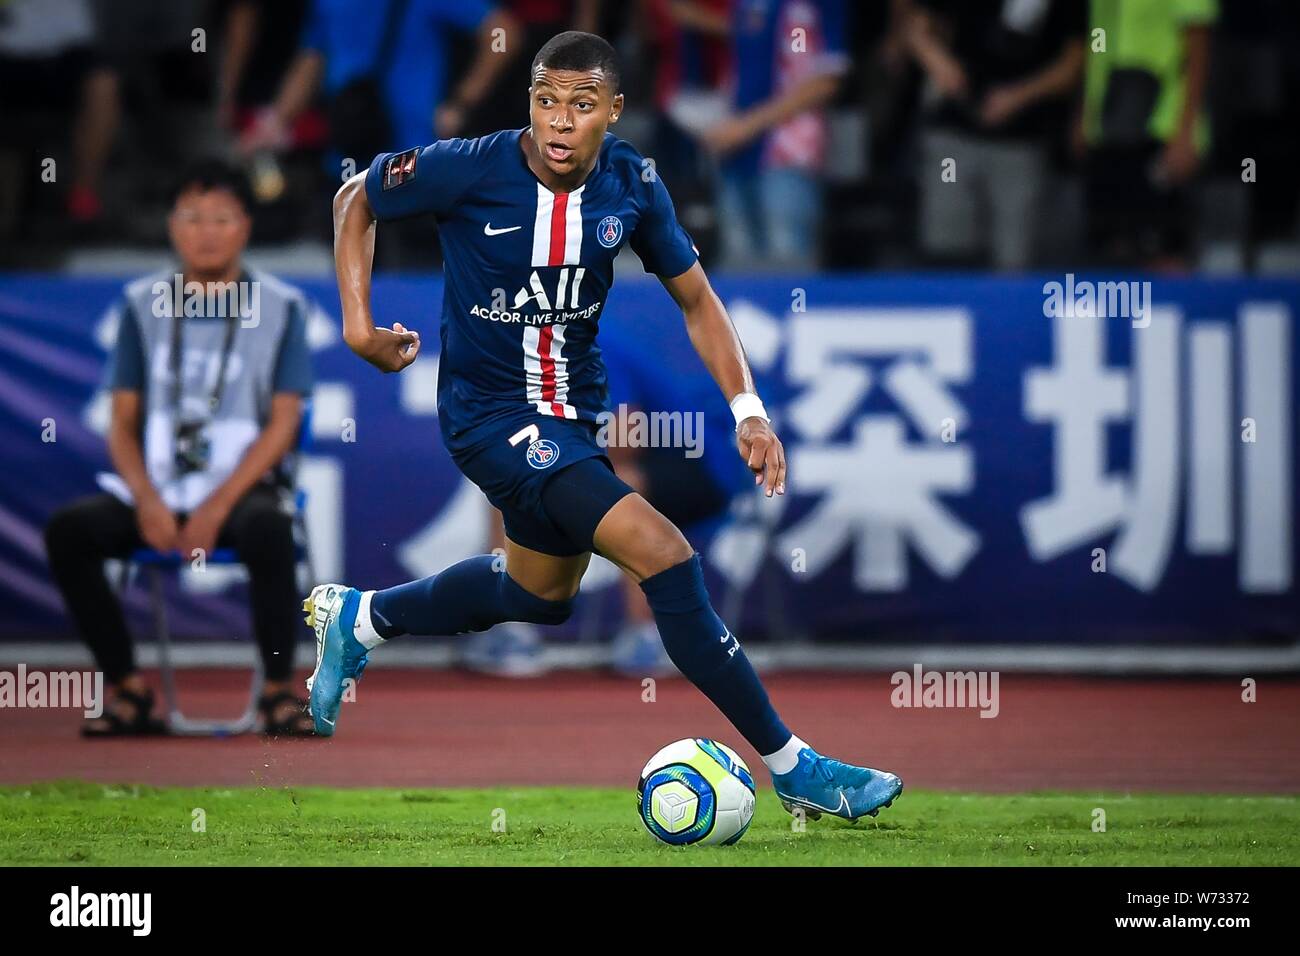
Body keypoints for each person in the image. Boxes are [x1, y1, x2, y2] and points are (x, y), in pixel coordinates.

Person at [311, 31, 902, 822]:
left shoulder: (633, 183)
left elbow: (697, 299)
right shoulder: (469, 165)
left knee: (538, 592)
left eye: (581, 105)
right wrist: (358, 326)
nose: (559, 121)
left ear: (613, 111)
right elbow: (357, 199)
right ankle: (796, 767)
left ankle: (365, 618)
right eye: (546, 101)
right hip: (488, 417)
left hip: (572, 415)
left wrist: (749, 410)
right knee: (664, 553)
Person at [43, 161, 317, 737]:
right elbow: (121, 423)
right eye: (192, 217)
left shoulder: (281, 306)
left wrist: (218, 506)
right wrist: (145, 500)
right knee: (69, 531)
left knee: (270, 529)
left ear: (245, 226)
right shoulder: (141, 304)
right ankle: (128, 689)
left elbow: (285, 423)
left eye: (222, 217)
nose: (207, 231)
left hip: (241, 491)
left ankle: (276, 693)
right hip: (159, 490)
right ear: (171, 226)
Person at [908, 0, 1086, 270]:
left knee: (1014, 256)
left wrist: (1018, 97)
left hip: (1022, 144)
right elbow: (915, 28)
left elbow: (1074, 65)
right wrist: (939, 62)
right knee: (947, 241)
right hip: (953, 141)